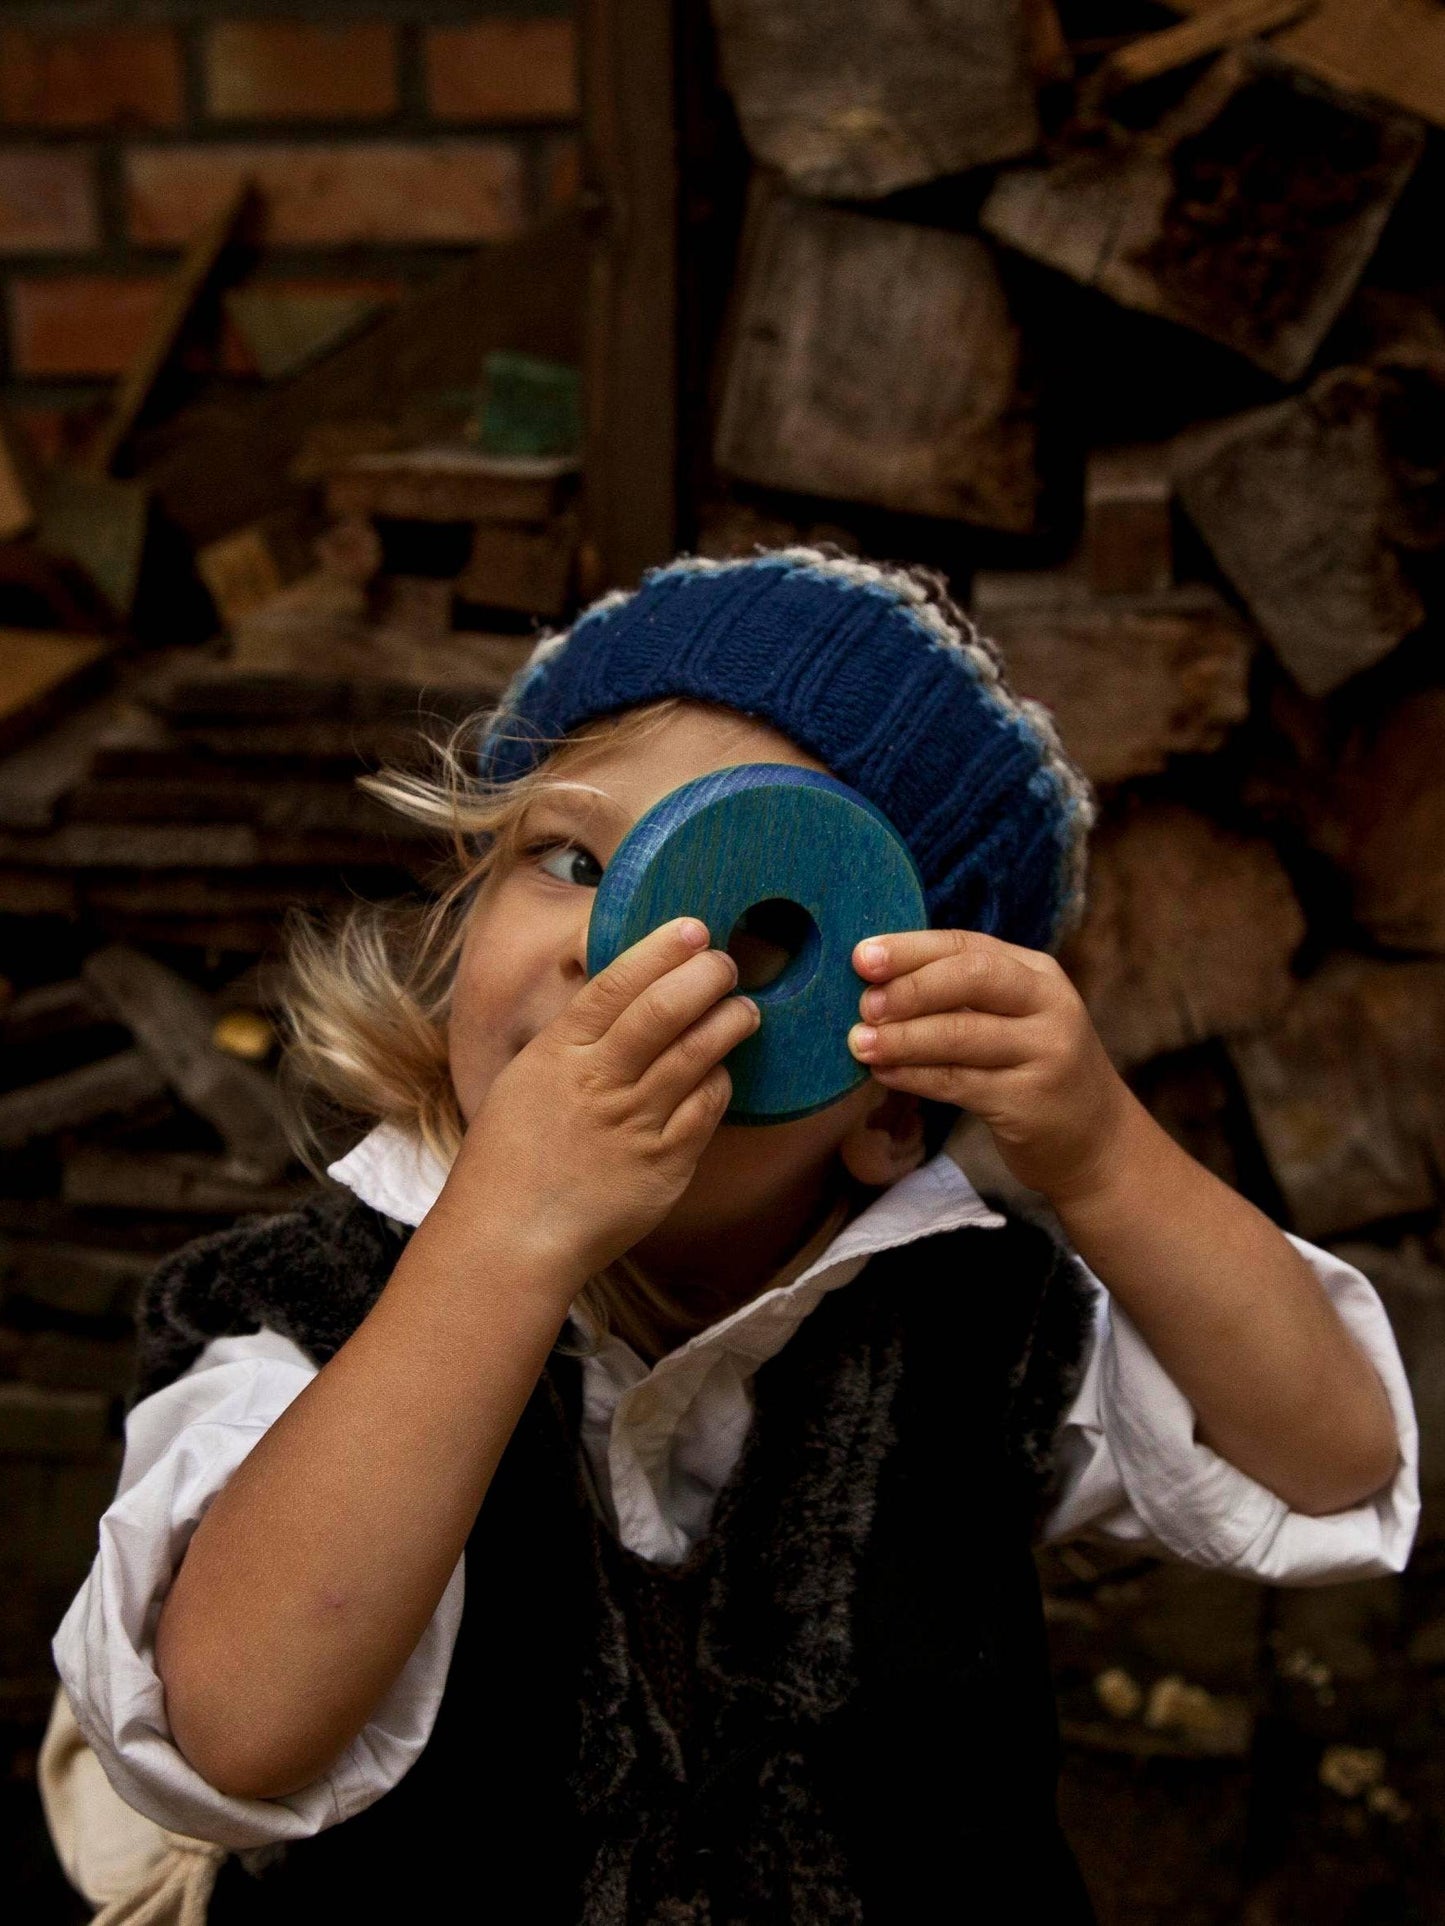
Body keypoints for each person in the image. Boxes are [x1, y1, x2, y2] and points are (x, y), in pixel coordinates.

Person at [50, 549, 1416, 1923]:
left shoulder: (973, 1326)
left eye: (755, 931)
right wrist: (499, 1242)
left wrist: (1106, 1155)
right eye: (572, 859)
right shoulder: (298, 1310)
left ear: (891, 1100)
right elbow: (230, 1725)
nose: (616, 949)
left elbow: (1326, 1458)